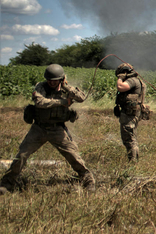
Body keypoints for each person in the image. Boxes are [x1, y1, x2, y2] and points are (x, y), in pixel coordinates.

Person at [0, 64, 95, 193]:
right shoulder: (41, 87)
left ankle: (88, 182)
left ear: (61, 79)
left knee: (74, 156)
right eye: (49, 79)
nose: (51, 82)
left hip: (57, 129)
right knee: (22, 155)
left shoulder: (66, 88)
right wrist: (62, 102)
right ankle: (7, 184)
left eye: (54, 80)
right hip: (39, 128)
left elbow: (81, 98)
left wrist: (67, 87)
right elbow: (40, 102)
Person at [115, 63, 146, 162]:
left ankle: (133, 162)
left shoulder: (132, 81)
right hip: (131, 113)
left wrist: (120, 78)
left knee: (129, 139)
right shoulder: (136, 80)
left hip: (129, 114)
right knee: (131, 137)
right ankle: (133, 160)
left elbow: (120, 87)